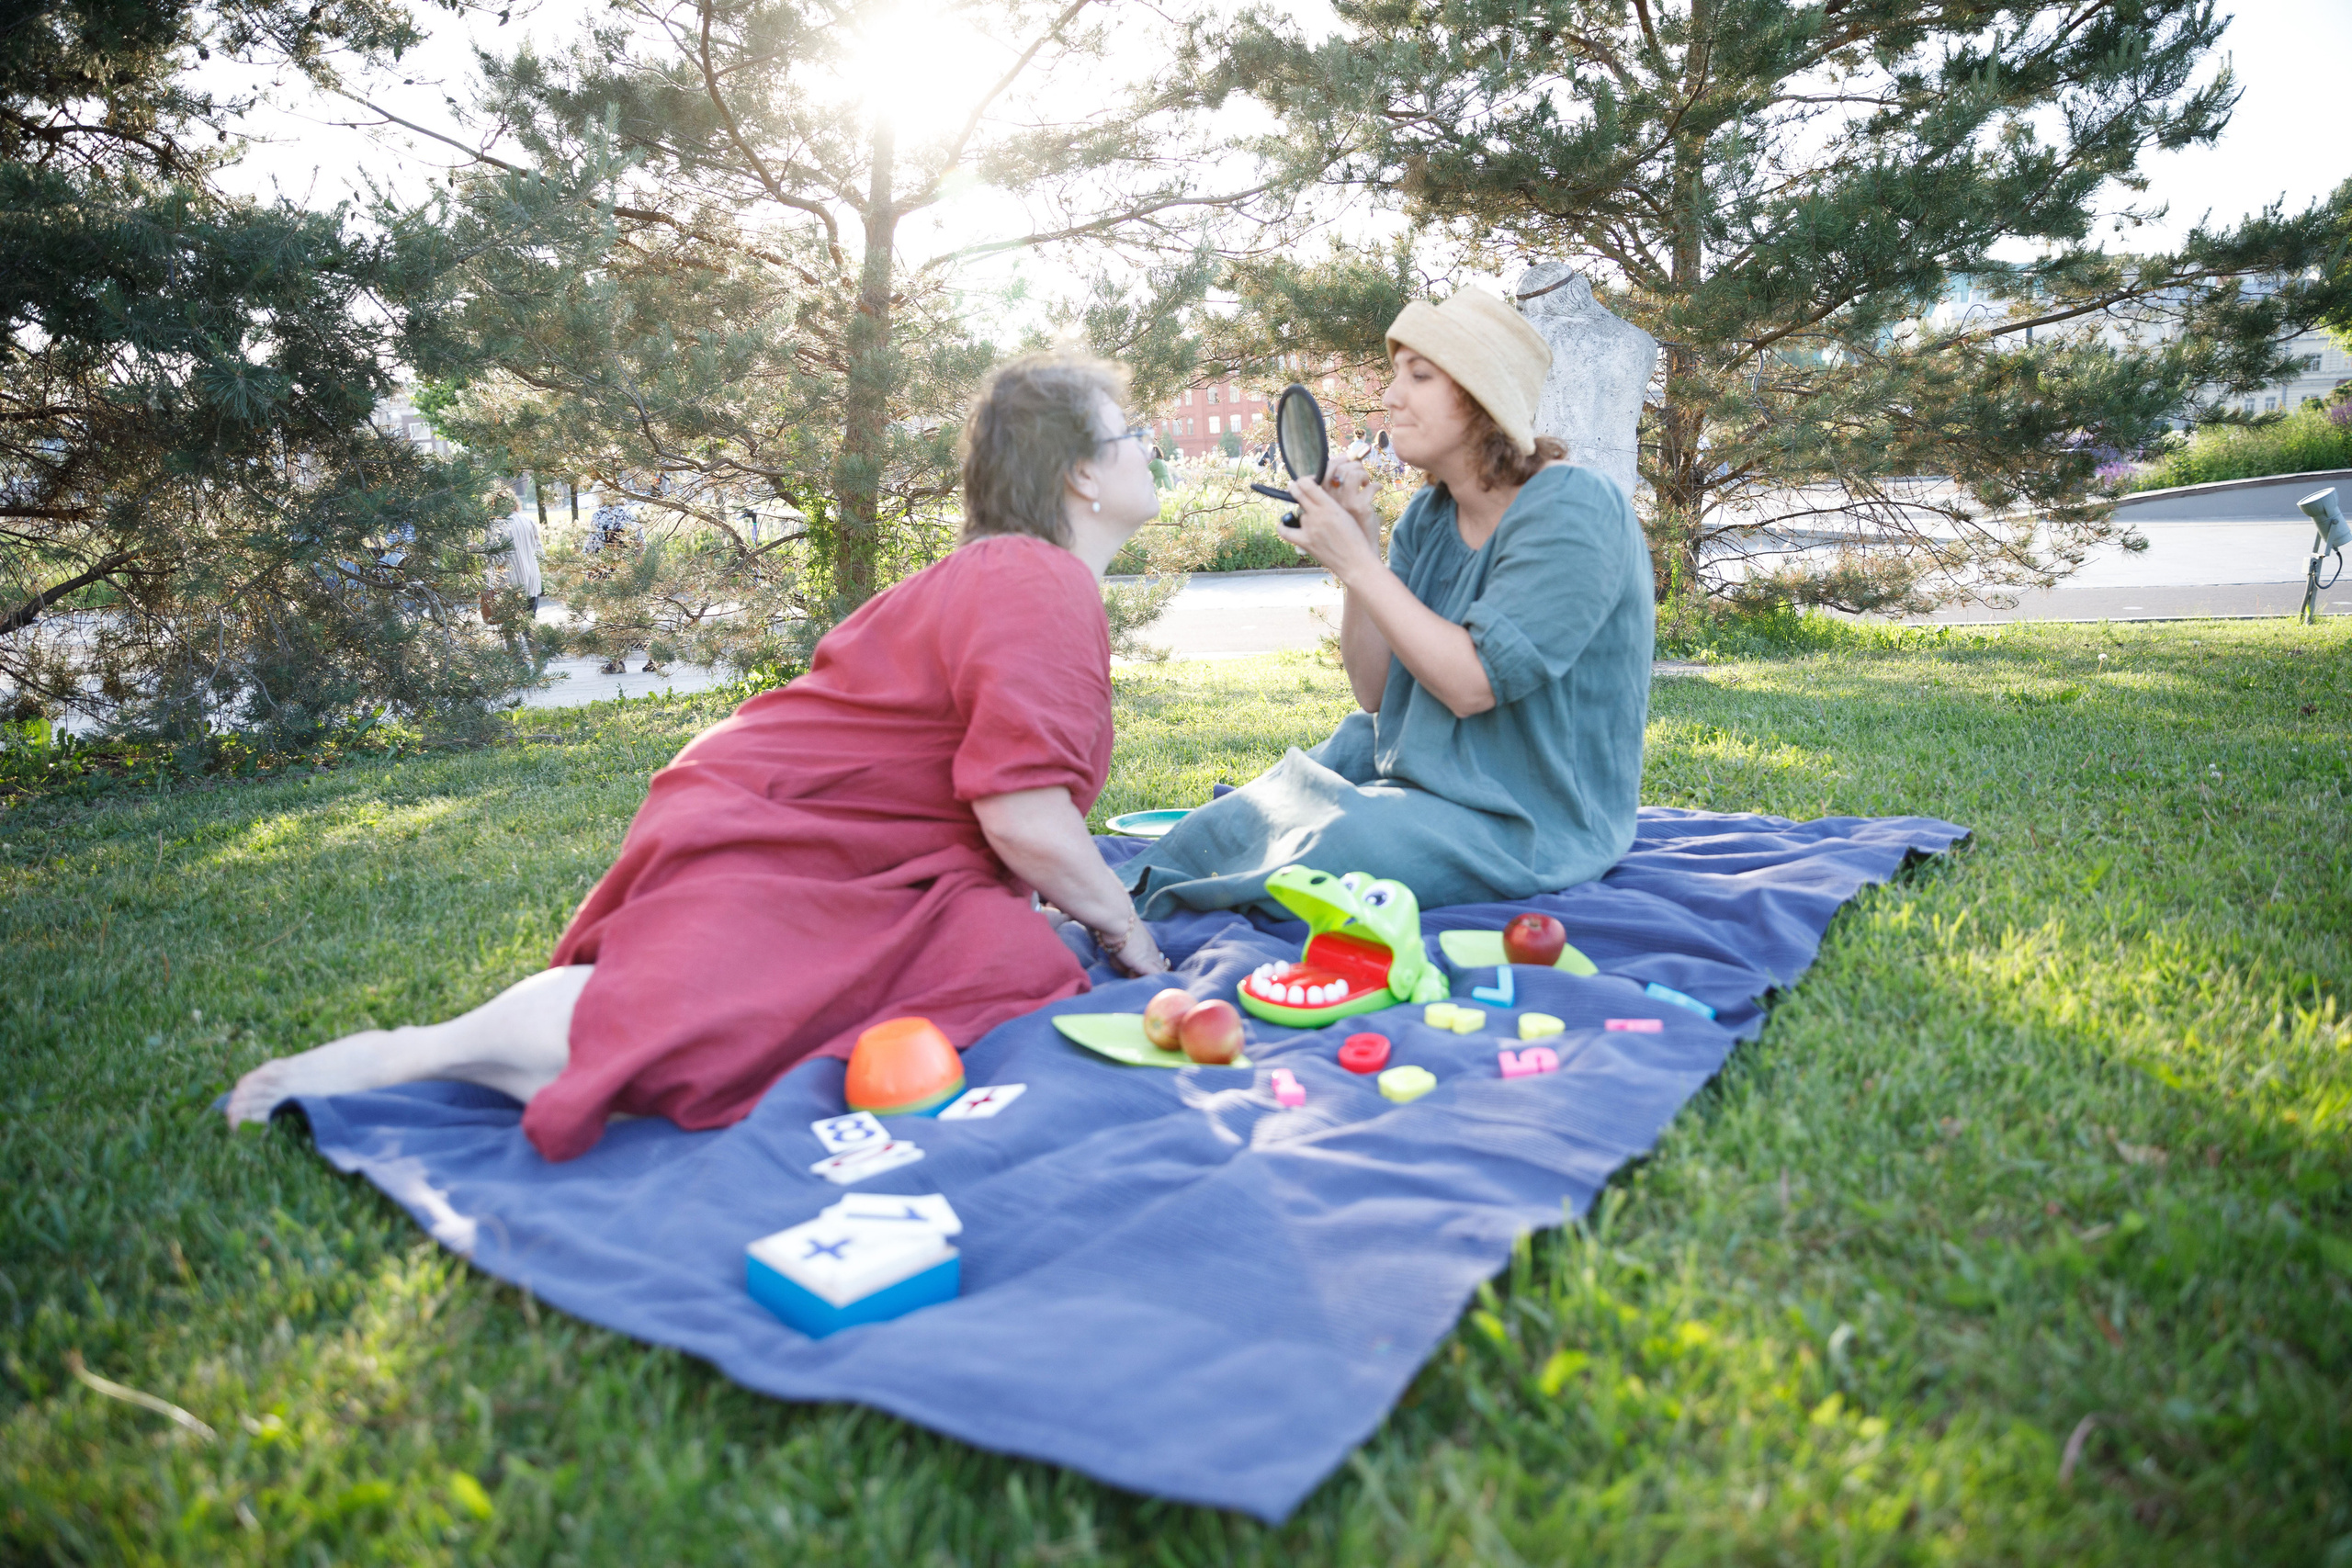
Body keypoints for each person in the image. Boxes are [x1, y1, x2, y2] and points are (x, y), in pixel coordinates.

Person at [227, 353, 1170, 1161]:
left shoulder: (1015, 575)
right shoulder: (1038, 580)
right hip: (797, 821)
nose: (1151, 445)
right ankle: (419, 1055)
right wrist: (1127, 930)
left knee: (1003, 958)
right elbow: (1021, 812)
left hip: (852, 830)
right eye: (1133, 431)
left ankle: (489, 1041)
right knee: (677, 1024)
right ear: (1080, 475)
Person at [1117, 288, 1655, 919]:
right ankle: (1111, 896)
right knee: (1257, 806)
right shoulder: (1429, 517)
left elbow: (1471, 684)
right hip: (1420, 764)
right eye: (1396, 373)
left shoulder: (1575, 507)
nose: (1392, 396)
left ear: (1481, 399)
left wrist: (1357, 561)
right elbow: (1374, 691)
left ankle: (1143, 913)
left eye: (1419, 375)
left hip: (1526, 819)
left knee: (1328, 842)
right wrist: (1362, 538)